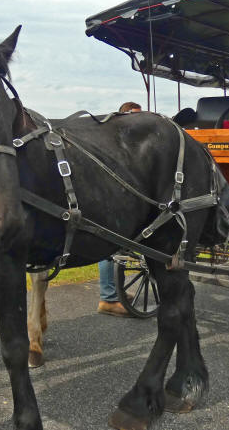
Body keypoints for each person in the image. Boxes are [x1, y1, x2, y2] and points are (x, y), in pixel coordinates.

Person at [97, 101, 143, 317]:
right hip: (113, 204)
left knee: (118, 249)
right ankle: (109, 299)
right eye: (134, 116)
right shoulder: (118, 143)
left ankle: (115, 293)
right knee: (111, 250)